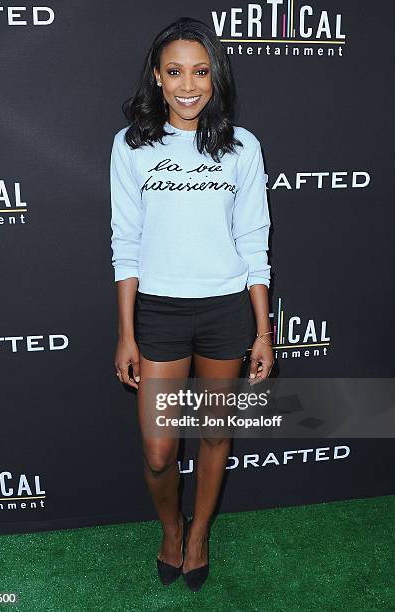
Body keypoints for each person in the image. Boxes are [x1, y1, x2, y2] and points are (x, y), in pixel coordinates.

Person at [110, 16, 274, 592]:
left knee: (212, 433)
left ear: (215, 77)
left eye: (200, 71)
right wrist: (126, 332)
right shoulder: (132, 145)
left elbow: (254, 241)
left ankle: (199, 533)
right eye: (175, 71)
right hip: (159, 312)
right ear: (157, 76)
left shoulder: (241, 147)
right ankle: (170, 528)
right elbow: (124, 243)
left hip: (227, 309)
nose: (188, 84)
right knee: (159, 452)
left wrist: (262, 330)